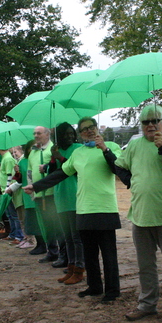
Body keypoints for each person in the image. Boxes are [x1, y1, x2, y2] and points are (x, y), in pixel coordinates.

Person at [24, 117, 123, 303]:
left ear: (96, 128)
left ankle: (112, 291)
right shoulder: (78, 153)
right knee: (89, 253)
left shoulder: (111, 146)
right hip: (83, 208)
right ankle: (94, 287)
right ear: (81, 134)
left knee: (108, 254)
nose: (89, 131)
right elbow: (61, 173)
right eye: (84, 129)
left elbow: (117, 168)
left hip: (105, 208)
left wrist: (105, 149)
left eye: (91, 127)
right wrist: (36, 186)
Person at [114, 104, 162, 323]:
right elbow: (118, 166)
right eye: (146, 122)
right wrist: (130, 181)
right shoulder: (134, 145)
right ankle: (147, 304)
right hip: (141, 215)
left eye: (155, 120)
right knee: (145, 265)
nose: (151, 125)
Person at [46, 122, 85, 284]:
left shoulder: (77, 149)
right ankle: (70, 268)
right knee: (67, 237)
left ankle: (79, 269)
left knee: (77, 238)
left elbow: (75, 168)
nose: (70, 136)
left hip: (74, 198)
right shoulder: (56, 150)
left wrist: (60, 158)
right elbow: (53, 174)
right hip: (60, 198)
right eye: (66, 134)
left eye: (72, 133)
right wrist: (53, 160)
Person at [27, 126, 60, 262]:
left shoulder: (52, 150)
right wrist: (32, 192)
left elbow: (57, 168)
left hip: (51, 194)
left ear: (47, 134)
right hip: (39, 194)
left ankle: (59, 253)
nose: (36, 135)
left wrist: (46, 168)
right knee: (46, 225)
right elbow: (29, 172)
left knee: (55, 224)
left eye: (39, 133)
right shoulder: (34, 152)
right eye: (34, 133)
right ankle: (51, 251)